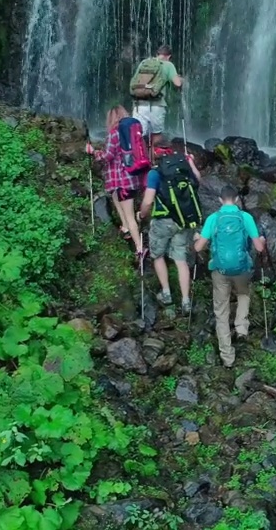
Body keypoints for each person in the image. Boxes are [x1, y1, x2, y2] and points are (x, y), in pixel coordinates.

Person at [193, 186, 266, 368]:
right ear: (237, 200)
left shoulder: (214, 219)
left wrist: (197, 238)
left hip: (220, 271)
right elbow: (258, 248)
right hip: (241, 268)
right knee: (243, 293)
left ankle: (228, 358)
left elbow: (198, 248)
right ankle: (241, 327)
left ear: (220, 200)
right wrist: (262, 241)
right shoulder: (245, 217)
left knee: (221, 313)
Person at [137, 140, 203, 312]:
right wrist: (191, 163)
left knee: (157, 255)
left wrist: (142, 214)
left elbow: (149, 200)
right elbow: (198, 180)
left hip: (163, 221)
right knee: (181, 260)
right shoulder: (183, 169)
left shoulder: (155, 173)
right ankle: (186, 301)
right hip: (183, 221)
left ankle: (166, 293)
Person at [85, 105, 145, 260]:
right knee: (115, 197)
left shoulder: (114, 134)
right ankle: (125, 228)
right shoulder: (131, 133)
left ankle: (140, 248)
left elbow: (107, 156)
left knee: (129, 214)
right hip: (132, 178)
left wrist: (94, 152)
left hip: (122, 180)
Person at [128, 44, 182, 149]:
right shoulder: (168, 65)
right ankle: (154, 162)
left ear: (157, 54)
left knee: (138, 136)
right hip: (157, 105)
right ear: (169, 56)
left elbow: (134, 82)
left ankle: (139, 161)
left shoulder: (144, 63)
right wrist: (180, 79)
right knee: (156, 137)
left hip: (139, 105)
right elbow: (177, 84)